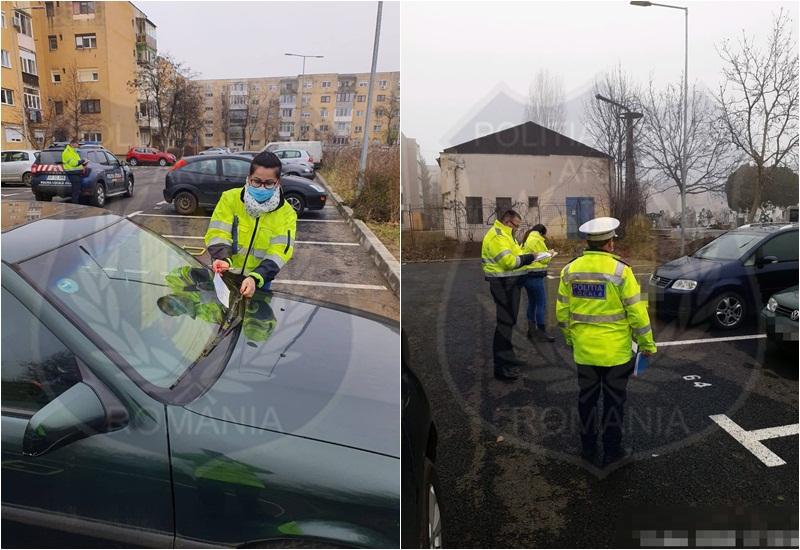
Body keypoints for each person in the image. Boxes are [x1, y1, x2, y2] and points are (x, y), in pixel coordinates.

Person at [555, 216, 657, 467]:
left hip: (585, 352)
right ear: (610, 243)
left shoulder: (569, 270)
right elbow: (637, 312)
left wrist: (571, 340)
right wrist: (647, 345)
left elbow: (562, 313)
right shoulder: (622, 271)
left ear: (588, 241)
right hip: (616, 355)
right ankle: (613, 451)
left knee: (586, 401)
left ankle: (588, 450)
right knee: (613, 402)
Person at [204, 151, 297, 299]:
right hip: (225, 274)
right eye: (256, 181)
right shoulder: (230, 199)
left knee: (255, 321)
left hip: (257, 281)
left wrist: (256, 277)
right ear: (248, 179)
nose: (261, 187)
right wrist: (223, 258)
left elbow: (279, 252)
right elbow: (218, 233)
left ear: (277, 183)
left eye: (269, 183)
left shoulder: (287, 213)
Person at [481, 209, 537, 381]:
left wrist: (536, 257)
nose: (517, 229)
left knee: (509, 322)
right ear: (508, 222)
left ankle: (509, 358)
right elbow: (509, 262)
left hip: (510, 284)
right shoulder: (498, 236)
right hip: (502, 284)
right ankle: (500, 368)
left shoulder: (506, 234)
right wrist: (530, 258)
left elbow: (517, 254)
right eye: (516, 226)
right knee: (504, 325)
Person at [519, 223, 556, 342]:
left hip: (526, 276)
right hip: (536, 276)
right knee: (541, 304)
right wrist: (550, 254)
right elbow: (544, 259)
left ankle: (531, 331)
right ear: (542, 233)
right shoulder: (537, 240)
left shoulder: (526, 239)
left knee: (532, 303)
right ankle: (541, 332)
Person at [62, 138, 86, 205]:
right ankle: (75, 205)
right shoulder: (67, 152)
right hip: (72, 173)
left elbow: (77, 161)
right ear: (72, 144)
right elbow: (73, 163)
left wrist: (83, 163)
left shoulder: (73, 151)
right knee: (75, 191)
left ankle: (77, 204)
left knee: (77, 190)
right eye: (77, 143)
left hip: (77, 173)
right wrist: (82, 161)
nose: (78, 145)